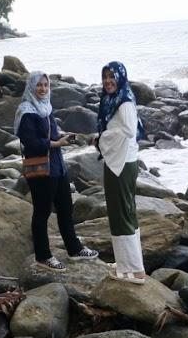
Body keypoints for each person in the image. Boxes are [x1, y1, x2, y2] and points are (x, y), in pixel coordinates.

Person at [16, 71, 98, 270]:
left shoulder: (46, 107)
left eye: (46, 85)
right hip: (41, 169)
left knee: (65, 207)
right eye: (39, 85)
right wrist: (55, 143)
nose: (43, 89)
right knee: (42, 212)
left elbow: (50, 133)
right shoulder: (26, 111)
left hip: (57, 167)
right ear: (32, 87)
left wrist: (62, 136)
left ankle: (74, 248)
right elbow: (31, 143)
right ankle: (43, 256)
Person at [96, 60, 147, 282]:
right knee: (124, 212)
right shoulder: (113, 99)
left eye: (112, 76)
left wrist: (99, 139)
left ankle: (135, 270)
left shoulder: (124, 101)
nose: (108, 81)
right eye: (105, 77)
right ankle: (127, 262)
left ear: (120, 77)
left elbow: (128, 130)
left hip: (122, 163)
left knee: (121, 214)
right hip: (121, 160)